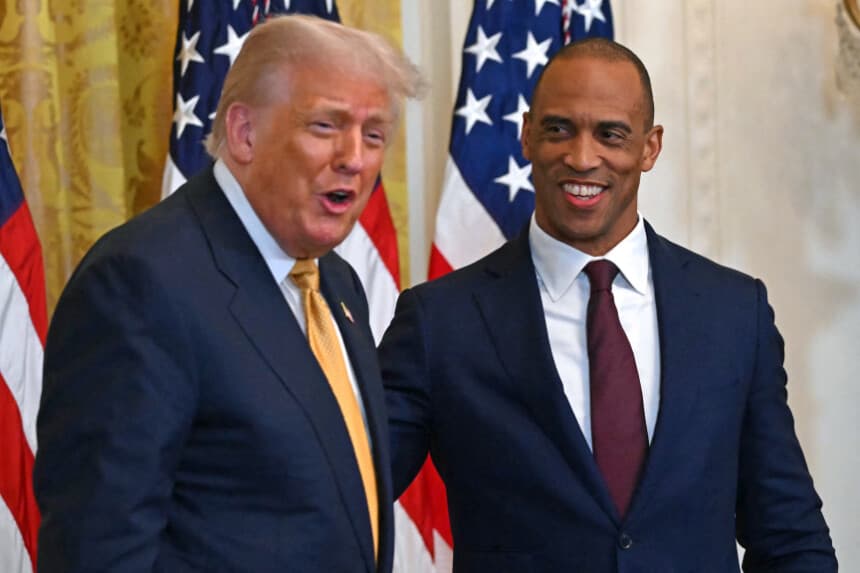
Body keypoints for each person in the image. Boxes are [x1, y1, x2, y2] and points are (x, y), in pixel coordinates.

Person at [379, 38, 837, 572]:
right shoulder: (440, 322)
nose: (581, 156)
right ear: (526, 134)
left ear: (649, 147)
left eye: (611, 134)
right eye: (558, 129)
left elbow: (788, 533)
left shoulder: (735, 313)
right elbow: (345, 497)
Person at [34, 14, 421, 573]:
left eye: (374, 134)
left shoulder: (337, 282)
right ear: (243, 132)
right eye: (325, 126)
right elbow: (98, 548)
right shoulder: (140, 284)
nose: (354, 158)